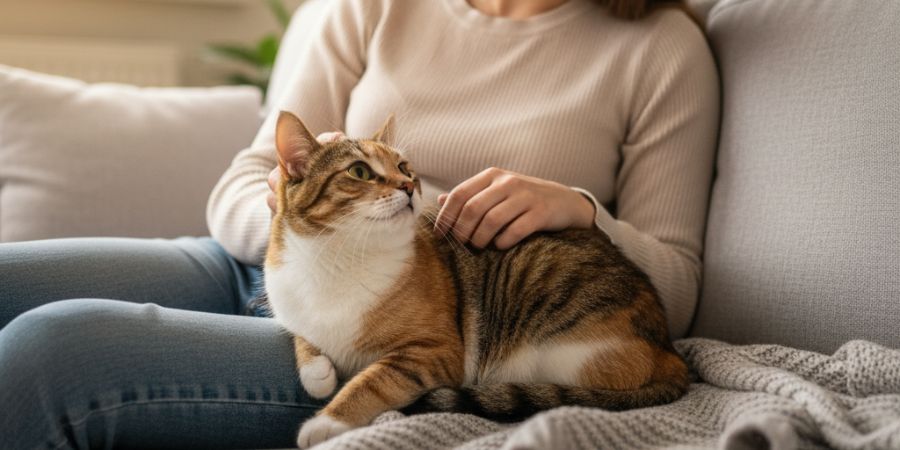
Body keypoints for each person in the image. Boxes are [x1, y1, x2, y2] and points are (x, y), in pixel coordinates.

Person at [0, 0, 719, 448]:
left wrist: (581, 209)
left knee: (53, 350)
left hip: (395, 330)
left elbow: (678, 286)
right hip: (269, 260)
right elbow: (247, 180)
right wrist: (312, 237)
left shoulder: (660, 47)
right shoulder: (375, 4)